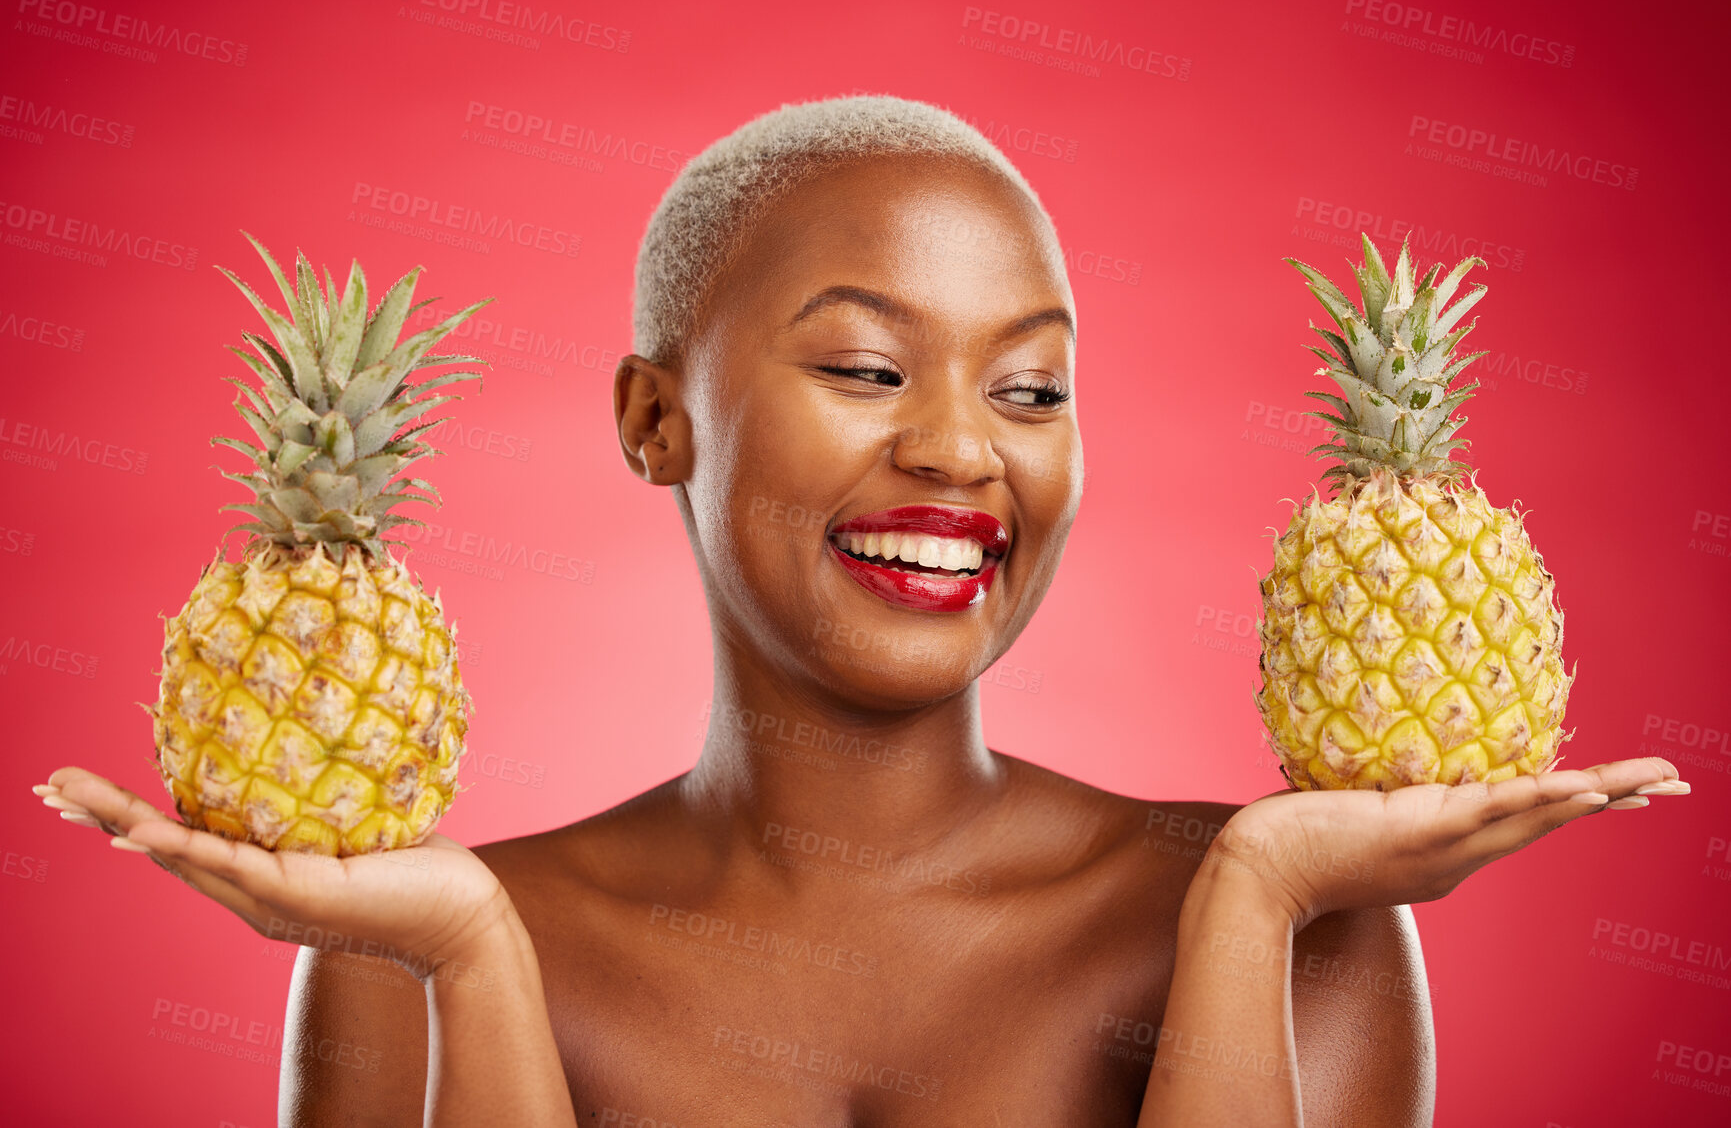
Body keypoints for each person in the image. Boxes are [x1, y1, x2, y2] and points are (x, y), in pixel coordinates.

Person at [37, 95, 1688, 1127]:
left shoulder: (1307, 927)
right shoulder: (415, 943)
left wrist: (1254, 897)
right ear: (652, 421)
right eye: (864, 369)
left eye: (1031, 386)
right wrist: (473, 966)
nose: (961, 448)